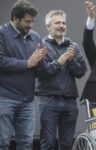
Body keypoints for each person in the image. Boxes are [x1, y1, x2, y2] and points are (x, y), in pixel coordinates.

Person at [36, 10, 87, 150]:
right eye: (57, 22)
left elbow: (81, 72)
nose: (61, 25)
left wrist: (71, 61)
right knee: (48, 143)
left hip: (70, 101)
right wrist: (59, 62)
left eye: (63, 23)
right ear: (48, 26)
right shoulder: (41, 45)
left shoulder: (73, 46)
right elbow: (41, 72)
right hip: (48, 100)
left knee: (66, 144)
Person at [0, 0, 47, 149]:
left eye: (32, 21)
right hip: (5, 98)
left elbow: (38, 70)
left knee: (26, 143)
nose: (31, 25)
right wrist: (27, 63)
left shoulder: (35, 37)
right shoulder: (2, 33)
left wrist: (41, 62)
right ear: (15, 18)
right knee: (3, 142)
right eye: (27, 21)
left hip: (27, 101)